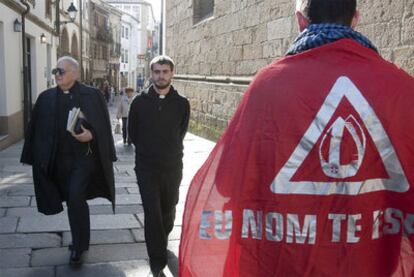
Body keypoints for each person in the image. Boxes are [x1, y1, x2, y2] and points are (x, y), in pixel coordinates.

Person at [179, 0, 414, 276]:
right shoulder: (401, 88)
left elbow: (227, 183)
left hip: (282, 263)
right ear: (355, 20)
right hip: (368, 262)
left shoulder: (267, 86)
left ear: (301, 21)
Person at [20, 56, 117, 266]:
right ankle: (81, 240)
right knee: (74, 201)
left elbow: (102, 125)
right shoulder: (45, 97)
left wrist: (92, 135)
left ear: (74, 73)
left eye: (60, 71)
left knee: (74, 197)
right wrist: (30, 157)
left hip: (84, 160)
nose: (56, 75)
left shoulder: (92, 95)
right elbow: (34, 129)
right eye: (55, 71)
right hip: (58, 161)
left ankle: (78, 247)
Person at [128, 55, 190, 277]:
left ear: (172, 73)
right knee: (152, 213)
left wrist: (169, 150)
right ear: (151, 73)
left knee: (169, 209)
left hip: (173, 167)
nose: (161, 76)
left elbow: (181, 132)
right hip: (146, 168)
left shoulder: (182, 103)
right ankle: (157, 259)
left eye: (165, 71)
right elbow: (133, 133)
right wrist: (148, 151)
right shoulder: (139, 102)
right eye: (157, 71)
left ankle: (161, 239)